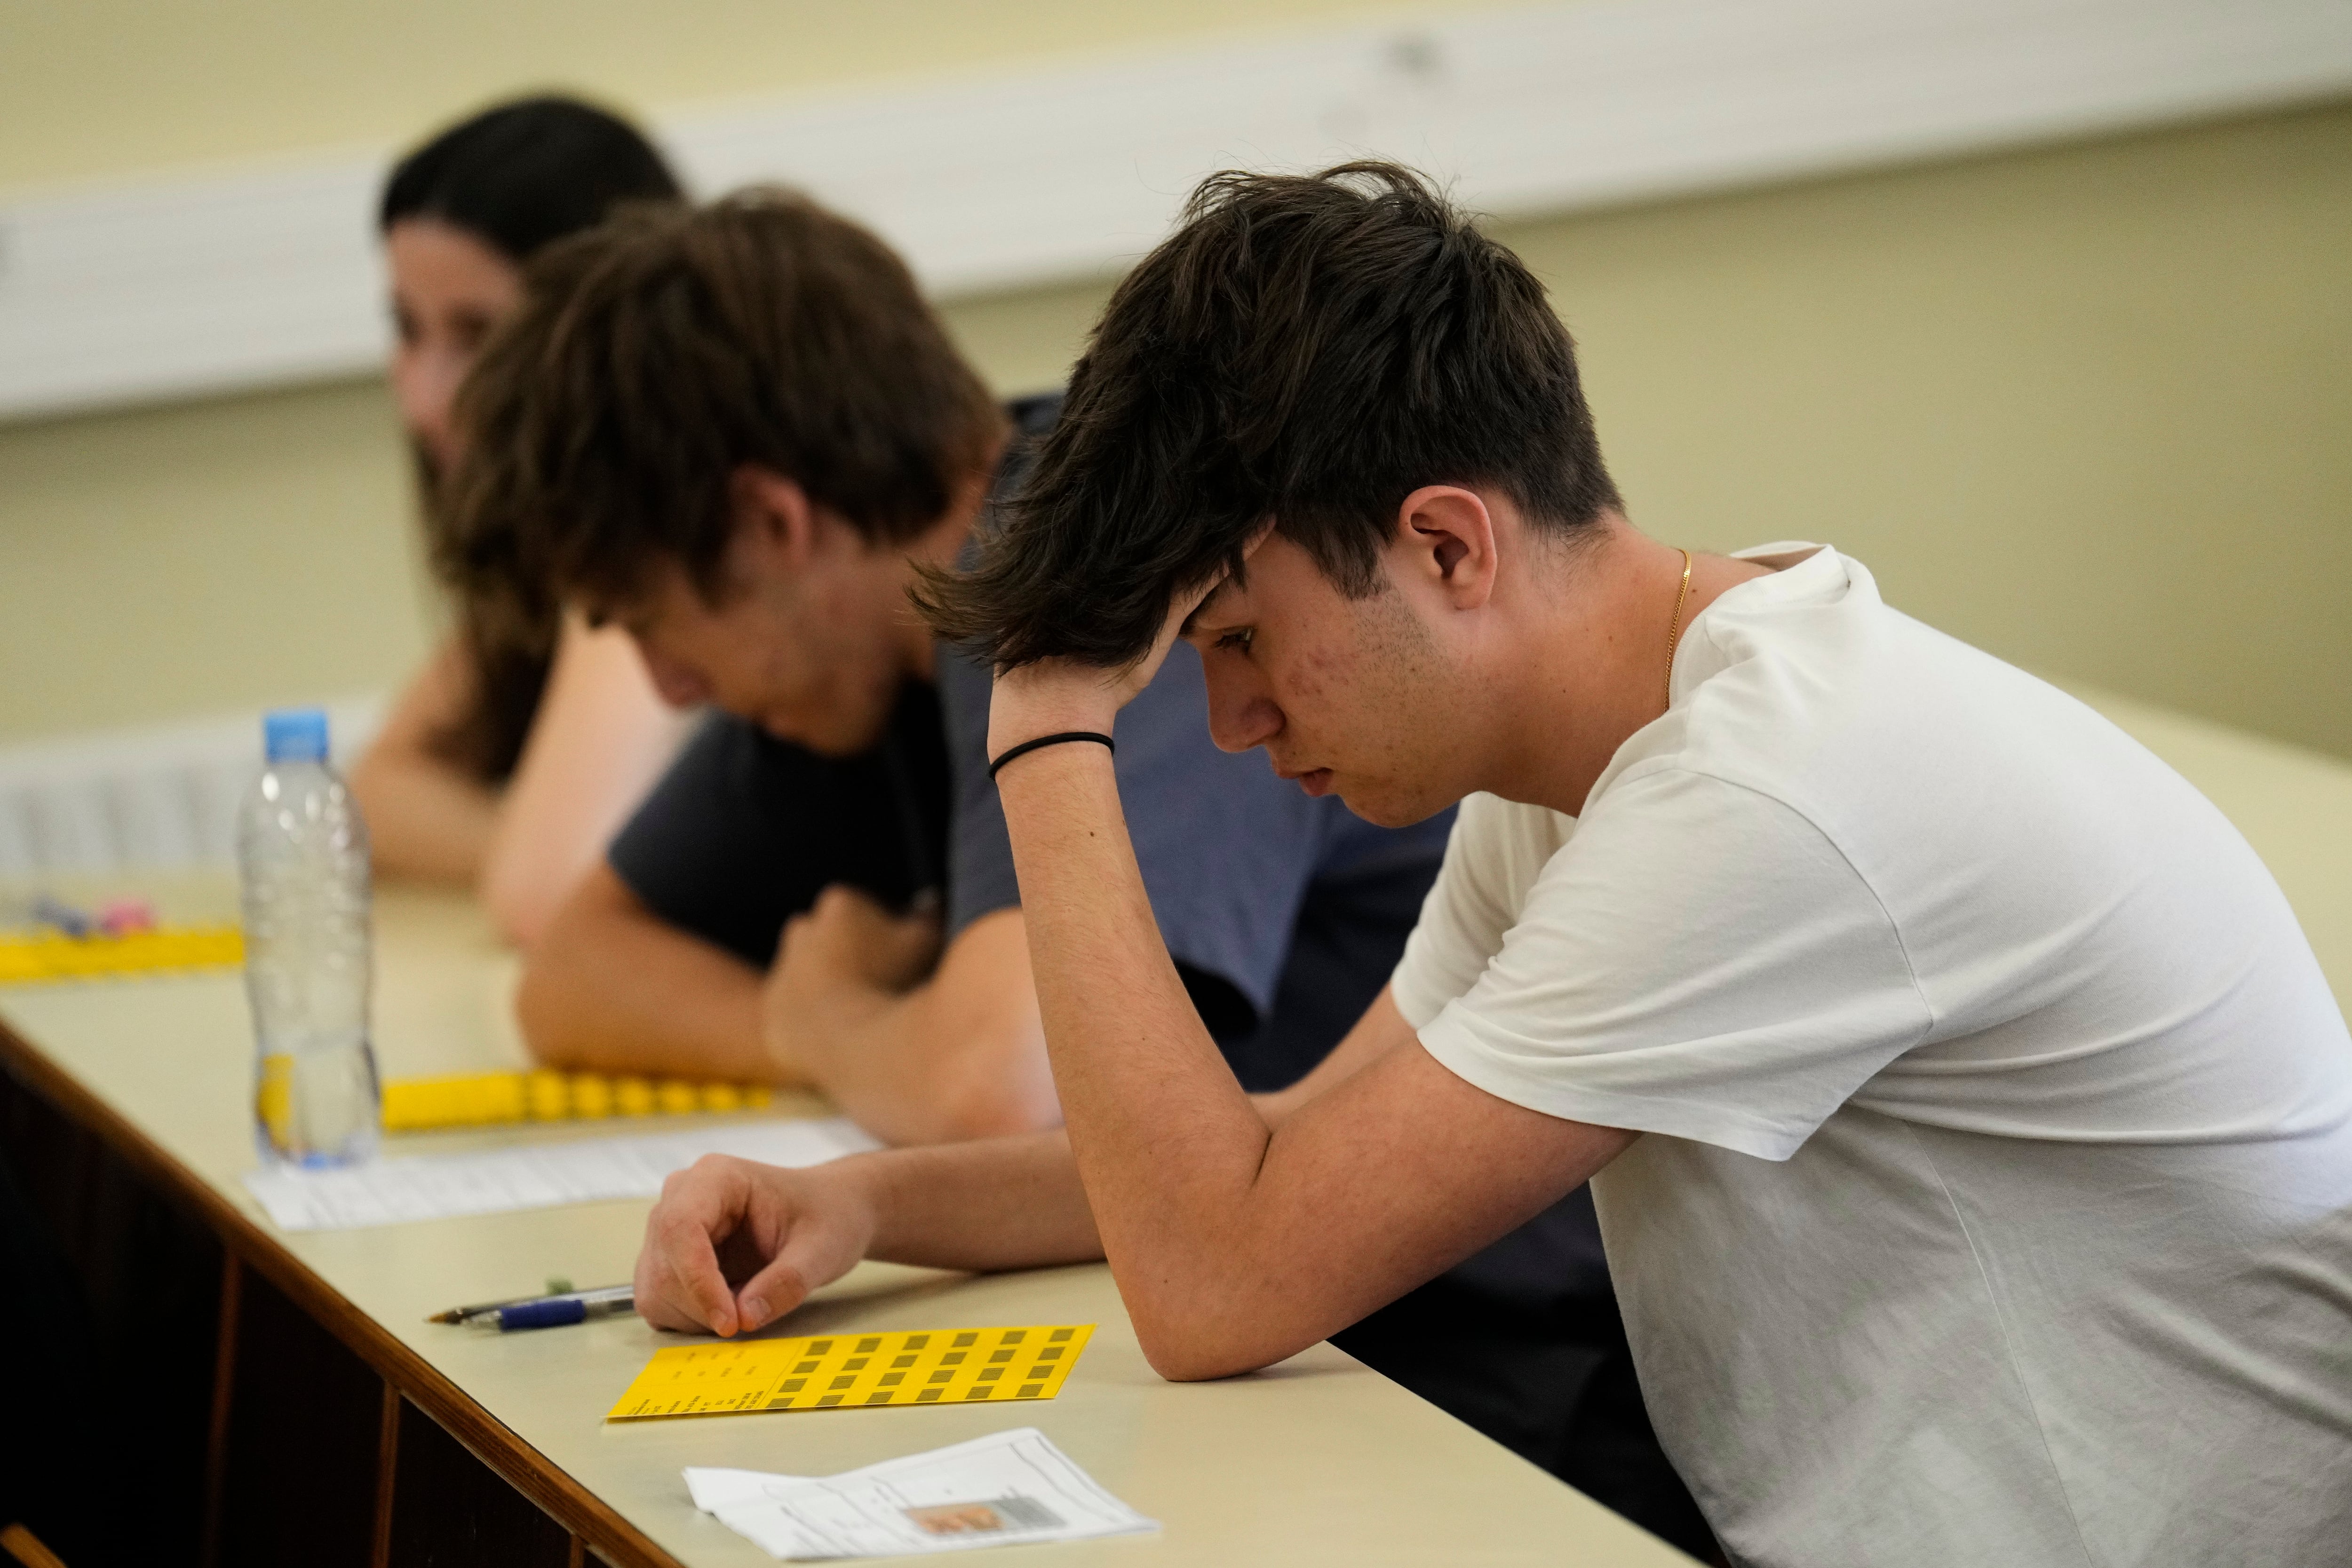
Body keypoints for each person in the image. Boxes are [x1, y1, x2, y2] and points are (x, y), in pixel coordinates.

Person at [635, 164, 2352, 1567]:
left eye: (1236, 640)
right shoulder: (1595, 758)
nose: (1226, 725)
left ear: (1447, 542)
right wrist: (869, 1204)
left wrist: (1049, 738)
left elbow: (1221, 1285)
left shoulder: (1766, 795)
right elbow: (1279, 1157)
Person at [448, 187, 1711, 1552]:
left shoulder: (1129, 577)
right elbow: (571, 972)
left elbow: (1068, 1143)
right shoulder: (1524, 805)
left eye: (657, 620)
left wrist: (863, 981)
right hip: (1323, 1312)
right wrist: (861, 1189)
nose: (668, 685)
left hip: (1496, 1375)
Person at [350, 94, 690, 944]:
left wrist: (538, 847)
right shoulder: (540, 547)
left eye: (478, 336)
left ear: (602, 333)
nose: (426, 399)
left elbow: (543, 889)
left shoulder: (662, 533)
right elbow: (372, 793)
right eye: (406, 328)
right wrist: (527, 837)